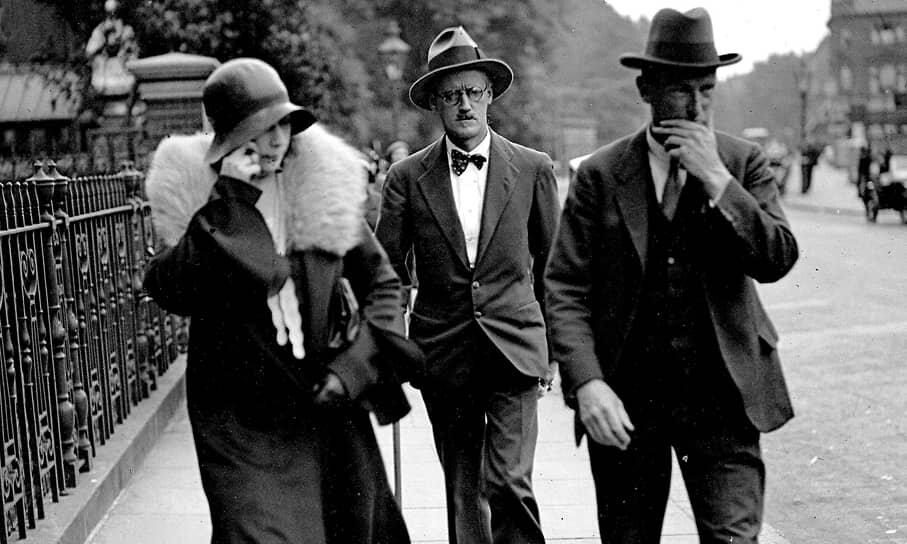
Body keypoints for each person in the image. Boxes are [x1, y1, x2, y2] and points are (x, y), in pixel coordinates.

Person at [544, 8, 799, 544]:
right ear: (647, 88)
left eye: (708, 89)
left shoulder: (742, 163)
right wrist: (587, 382)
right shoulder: (600, 175)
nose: (699, 107)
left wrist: (718, 180)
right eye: (683, 90)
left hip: (723, 402)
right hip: (628, 401)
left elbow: (777, 258)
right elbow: (564, 287)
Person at [143, 58, 422, 544]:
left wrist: (352, 369)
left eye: (283, 125)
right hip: (239, 420)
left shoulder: (319, 191)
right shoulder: (203, 202)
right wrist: (229, 201)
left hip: (324, 405)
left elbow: (382, 286)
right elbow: (170, 288)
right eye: (259, 130)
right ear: (229, 138)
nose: (274, 141)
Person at [375, 26, 560, 544]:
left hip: (515, 348)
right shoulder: (407, 177)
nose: (464, 104)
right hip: (443, 353)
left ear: (490, 96)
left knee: (509, 483)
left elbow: (554, 268)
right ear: (435, 102)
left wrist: (555, 350)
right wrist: (389, 342)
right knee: (464, 490)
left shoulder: (533, 169)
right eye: (451, 94)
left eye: (474, 92)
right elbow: (385, 272)